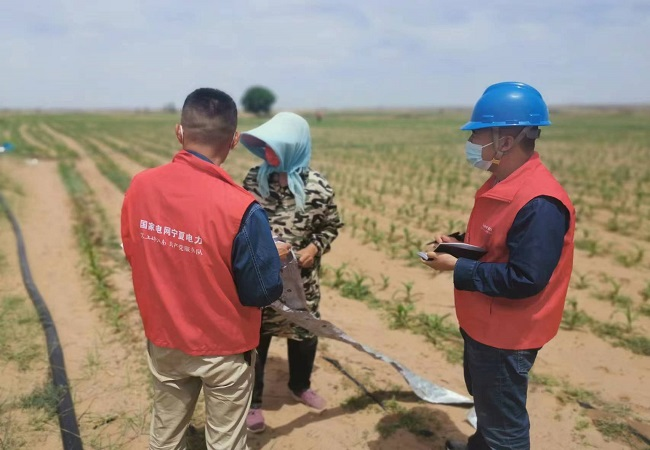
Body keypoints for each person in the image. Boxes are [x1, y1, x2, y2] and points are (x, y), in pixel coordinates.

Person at [121, 88, 284, 450]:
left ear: (180, 132)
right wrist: (276, 257)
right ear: (235, 140)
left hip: (163, 336)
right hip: (224, 347)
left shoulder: (140, 186)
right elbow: (262, 290)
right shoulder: (242, 208)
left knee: (166, 434)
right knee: (225, 442)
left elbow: (135, 253)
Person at [421, 82, 575, 450]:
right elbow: (501, 243)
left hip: (507, 335)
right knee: (488, 407)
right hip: (485, 323)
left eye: (477, 134)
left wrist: (456, 267)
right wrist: (459, 243)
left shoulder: (540, 202)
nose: (472, 142)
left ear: (505, 141)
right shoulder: (504, 181)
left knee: (505, 428)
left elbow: (526, 278)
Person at [239, 112, 343, 433]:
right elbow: (238, 225)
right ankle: (253, 403)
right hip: (262, 280)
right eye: (266, 145)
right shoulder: (253, 181)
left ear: (294, 147)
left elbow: (331, 226)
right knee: (257, 338)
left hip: (301, 284)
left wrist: (315, 248)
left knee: (304, 333)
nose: (268, 152)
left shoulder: (319, 187)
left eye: (275, 146)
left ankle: (300, 386)